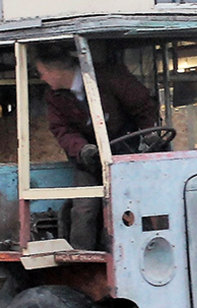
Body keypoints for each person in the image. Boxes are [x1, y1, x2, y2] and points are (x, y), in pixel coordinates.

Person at [33, 45, 160, 250]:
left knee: (132, 203)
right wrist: (83, 149)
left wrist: (148, 132)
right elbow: (61, 129)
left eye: (42, 73)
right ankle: (84, 261)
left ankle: (138, 249)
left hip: (125, 152)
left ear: (56, 71)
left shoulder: (109, 77)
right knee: (84, 208)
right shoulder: (54, 96)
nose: (42, 78)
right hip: (88, 160)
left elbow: (142, 104)